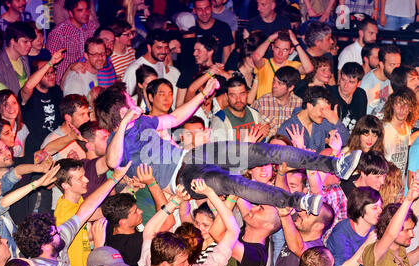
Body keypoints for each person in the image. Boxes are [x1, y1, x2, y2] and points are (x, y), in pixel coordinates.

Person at [99, 80, 362, 217]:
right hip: (182, 180)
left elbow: (175, 118)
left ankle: (333, 165)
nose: (134, 106)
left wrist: (203, 95)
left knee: (261, 152)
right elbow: (112, 162)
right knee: (233, 183)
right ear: (120, 110)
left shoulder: (144, 121)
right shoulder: (117, 142)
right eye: (128, 103)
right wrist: (122, 125)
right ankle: (298, 201)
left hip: (192, 155)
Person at [13, 164, 130, 266]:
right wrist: (98, 249)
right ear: (45, 246)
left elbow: (85, 211)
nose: (60, 231)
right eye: (55, 233)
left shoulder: (55, 241)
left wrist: (115, 178)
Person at [0, 163, 59, 258]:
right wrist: (36, 184)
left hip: (20, 255)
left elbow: (16, 172)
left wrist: (39, 167)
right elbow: (2, 203)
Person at [362, 179, 419, 266]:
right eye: (407, 230)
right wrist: (408, 200)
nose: (412, 234)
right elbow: (390, 234)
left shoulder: (399, 247)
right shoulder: (376, 252)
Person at [323, 187, 382, 266]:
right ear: (360, 209)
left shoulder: (375, 229)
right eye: (375, 207)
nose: (380, 211)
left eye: (380, 206)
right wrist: (366, 245)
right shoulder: (342, 231)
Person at [277, 86, 350, 153]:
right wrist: (299, 151)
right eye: (321, 109)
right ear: (310, 106)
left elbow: (345, 141)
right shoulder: (288, 128)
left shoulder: (322, 122)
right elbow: (279, 159)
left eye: (326, 111)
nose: (324, 114)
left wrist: (336, 121)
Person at [19, 55, 65, 162]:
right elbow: (28, 87)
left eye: (52, 72)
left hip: (56, 147)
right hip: (36, 151)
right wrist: (50, 63)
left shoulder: (56, 91)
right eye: (46, 73)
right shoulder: (29, 95)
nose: (51, 76)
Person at [46, 0, 97, 85]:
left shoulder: (91, 27)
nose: (86, 13)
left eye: (87, 9)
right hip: (64, 83)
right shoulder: (59, 32)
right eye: (80, 10)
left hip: (86, 80)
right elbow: (49, 62)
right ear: (71, 13)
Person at [252, 29, 313, 99]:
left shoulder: (293, 67)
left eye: (285, 50)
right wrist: (270, 38)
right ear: (272, 47)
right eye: (277, 48)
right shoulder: (264, 64)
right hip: (263, 107)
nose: (280, 53)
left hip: (285, 108)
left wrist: (296, 43)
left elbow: (308, 69)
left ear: (291, 51)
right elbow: (256, 57)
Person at [210, 76, 268, 142]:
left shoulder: (254, 113)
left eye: (242, 94)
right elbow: (219, 150)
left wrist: (263, 135)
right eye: (233, 95)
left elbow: (264, 141)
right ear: (227, 96)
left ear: (247, 94)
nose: (238, 99)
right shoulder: (220, 119)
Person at [252, 66, 303, 138]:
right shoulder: (261, 103)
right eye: (274, 81)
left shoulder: (299, 105)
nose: (274, 86)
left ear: (291, 87)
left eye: (279, 83)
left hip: (289, 147)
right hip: (266, 147)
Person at [382, 87, 416, 181]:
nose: (402, 109)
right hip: (386, 184)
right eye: (398, 104)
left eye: (406, 105)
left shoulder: (407, 127)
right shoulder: (384, 130)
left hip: (399, 185)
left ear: (411, 108)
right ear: (392, 105)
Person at [360, 44, 401, 119]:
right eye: (392, 65)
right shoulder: (366, 84)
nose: (396, 69)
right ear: (381, 64)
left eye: (398, 65)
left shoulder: (393, 78)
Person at [0, 21, 35, 96]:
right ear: (12, 41)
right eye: (25, 41)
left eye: (30, 41)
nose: (30, 45)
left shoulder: (24, 58)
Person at [330, 62, 368, 133]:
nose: (345, 85)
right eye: (343, 80)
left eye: (351, 82)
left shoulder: (360, 94)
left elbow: (361, 123)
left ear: (359, 83)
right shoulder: (330, 94)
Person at [0, 89, 29, 158]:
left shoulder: (22, 127)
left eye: (14, 103)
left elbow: (21, 157)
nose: (11, 107)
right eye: (5, 104)